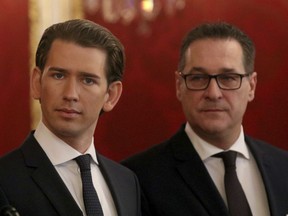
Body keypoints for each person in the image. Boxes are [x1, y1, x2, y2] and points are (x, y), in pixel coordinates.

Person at [122, 22, 288, 216]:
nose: (213, 93)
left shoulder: (283, 168)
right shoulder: (137, 178)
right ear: (178, 85)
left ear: (251, 86)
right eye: (198, 78)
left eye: (228, 78)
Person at [0, 19, 140, 216]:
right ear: (37, 83)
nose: (71, 93)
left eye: (88, 80)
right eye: (59, 76)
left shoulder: (126, 181)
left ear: (111, 95)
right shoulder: (4, 180)